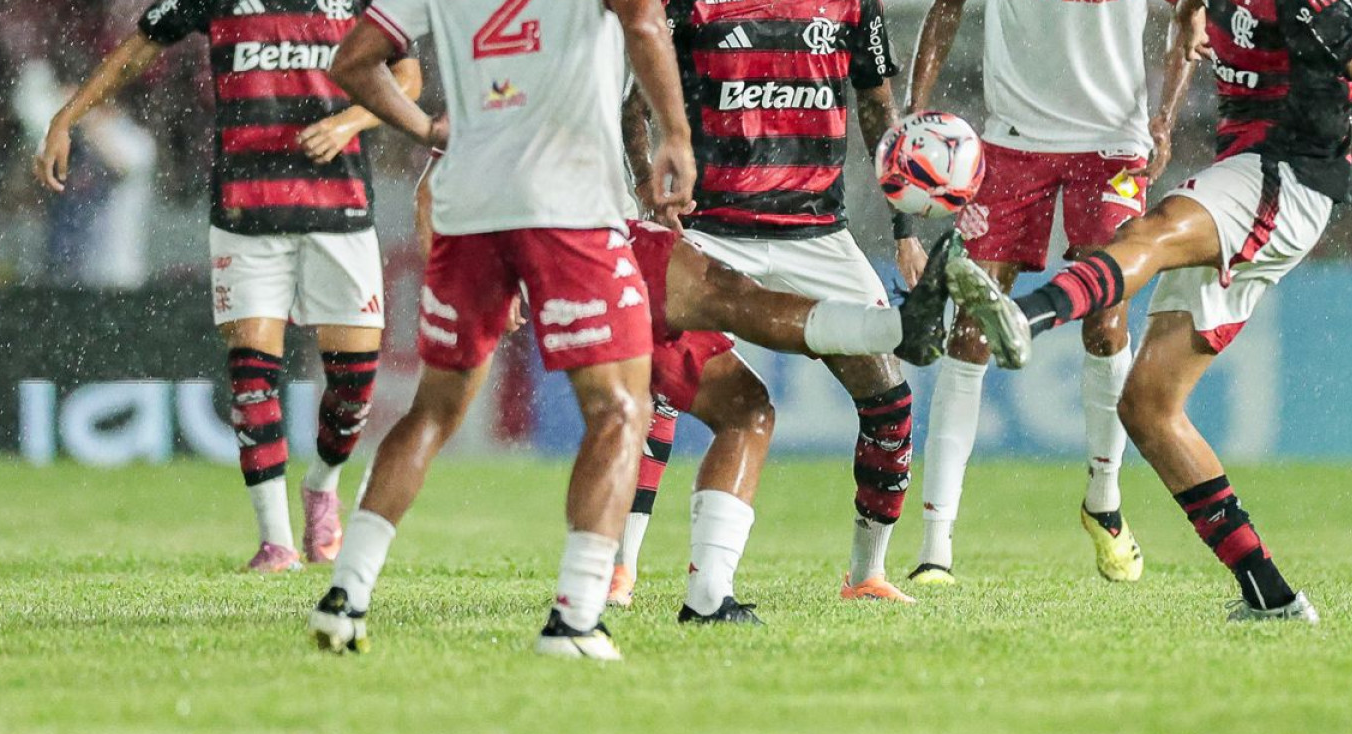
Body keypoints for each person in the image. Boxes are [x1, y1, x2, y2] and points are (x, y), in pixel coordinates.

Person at [944, 0, 1352, 623]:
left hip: (1288, 177)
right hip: (1248, 168)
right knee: (1149, 406)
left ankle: (1024, 314)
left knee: (1153, 231)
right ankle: (1270, 597)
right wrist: (1191, 23)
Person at [308, 0, 696, 661]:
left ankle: (347, 593)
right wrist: (672, 133)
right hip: (569, 204)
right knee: (620, 409)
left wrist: (427, 129)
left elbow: (353, 61)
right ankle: (576, 616)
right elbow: (639, 17)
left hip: (471, 202)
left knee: (434, 410)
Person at [36, 0, 416, 571]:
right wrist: (68, 115)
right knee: (252, 370)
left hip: (339, 205)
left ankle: (323, 484)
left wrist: (353, 118)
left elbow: (410, 77)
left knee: (352, 389)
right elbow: (143, 42)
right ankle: (274, 540)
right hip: (246, 207)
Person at [412, 162, 980, 624]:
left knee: (708, 405)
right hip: (625, 250)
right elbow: (438, 180)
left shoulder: (550, 56)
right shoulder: (616, 43)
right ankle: (633, 588)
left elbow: (440, 175)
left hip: (607, 252)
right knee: (665, 397)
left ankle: (355, 590)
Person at [906, 0, 1202, 585]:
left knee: (1105, 319)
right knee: (970, 334)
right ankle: (936, 551)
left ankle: (1104, 499)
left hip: (1110, 147)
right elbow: (947, 4)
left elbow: (1188, 10)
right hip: (1011, 144)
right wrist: (914, 116)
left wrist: (1165, 115)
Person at [625, 0, 927, 604]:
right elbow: (637, 103)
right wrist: (645, 194)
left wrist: (905, 229)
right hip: (711, 232)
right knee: (662, 393)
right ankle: (622, 564)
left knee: (888, 400)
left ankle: (866, 574)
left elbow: (878, 116)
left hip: (816, 237)